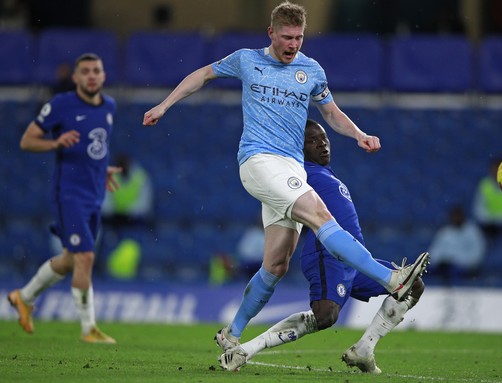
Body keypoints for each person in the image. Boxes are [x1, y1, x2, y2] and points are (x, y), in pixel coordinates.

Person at [143, 0, 429, 352]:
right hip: (259, 161)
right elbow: (202, 74)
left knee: (276, 265)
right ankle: (392, 278)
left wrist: (358, 134)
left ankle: (230, 334)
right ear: (271, 33)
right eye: (287, 37)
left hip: (291, 169)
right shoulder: (248, 60)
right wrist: (164, 104)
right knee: (322, 215)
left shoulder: (311, 70)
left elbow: (332, 113)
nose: (293, 45)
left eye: (299, 38)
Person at [220, 119, 426, 372]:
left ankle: (365, 348)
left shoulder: (325, 174)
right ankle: (244, 350)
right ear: (299, 147)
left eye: (325, 139)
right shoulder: (297, 174)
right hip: (327, 255)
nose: (322, 145)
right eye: (312, 141)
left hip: (356, 260)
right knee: (325, 315)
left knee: (414, 286)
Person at [7, 53, 120, 344]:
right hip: (69, 195)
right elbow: (27, 140)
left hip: (95, 194)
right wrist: (55, 142)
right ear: (76, 78)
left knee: (71, 260)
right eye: (86, 71)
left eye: (97, 70)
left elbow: (96, 147)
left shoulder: (109, 106)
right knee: (85, 256)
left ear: (104, 75)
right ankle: (88, 329)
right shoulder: (60, 105)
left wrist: (102, 169)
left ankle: (24, 296)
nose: (92, 76)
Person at [428, 204, 486, 285]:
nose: (456, 218)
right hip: (445, 267)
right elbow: (434, 252)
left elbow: (477, 254)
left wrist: (458, 261)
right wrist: (440, 260)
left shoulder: (473, 232)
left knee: (455, 272)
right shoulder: (445, 232)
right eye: (454, 216)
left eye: (458, 216)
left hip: (463, 268)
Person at [101, 153, 154, 228]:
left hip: (134, 218)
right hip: (114, 218)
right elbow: (105, 202)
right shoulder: (110, 177)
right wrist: (115, 212)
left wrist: (126, 212)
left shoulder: (140, 177)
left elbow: (144, 204)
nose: (123, 167)